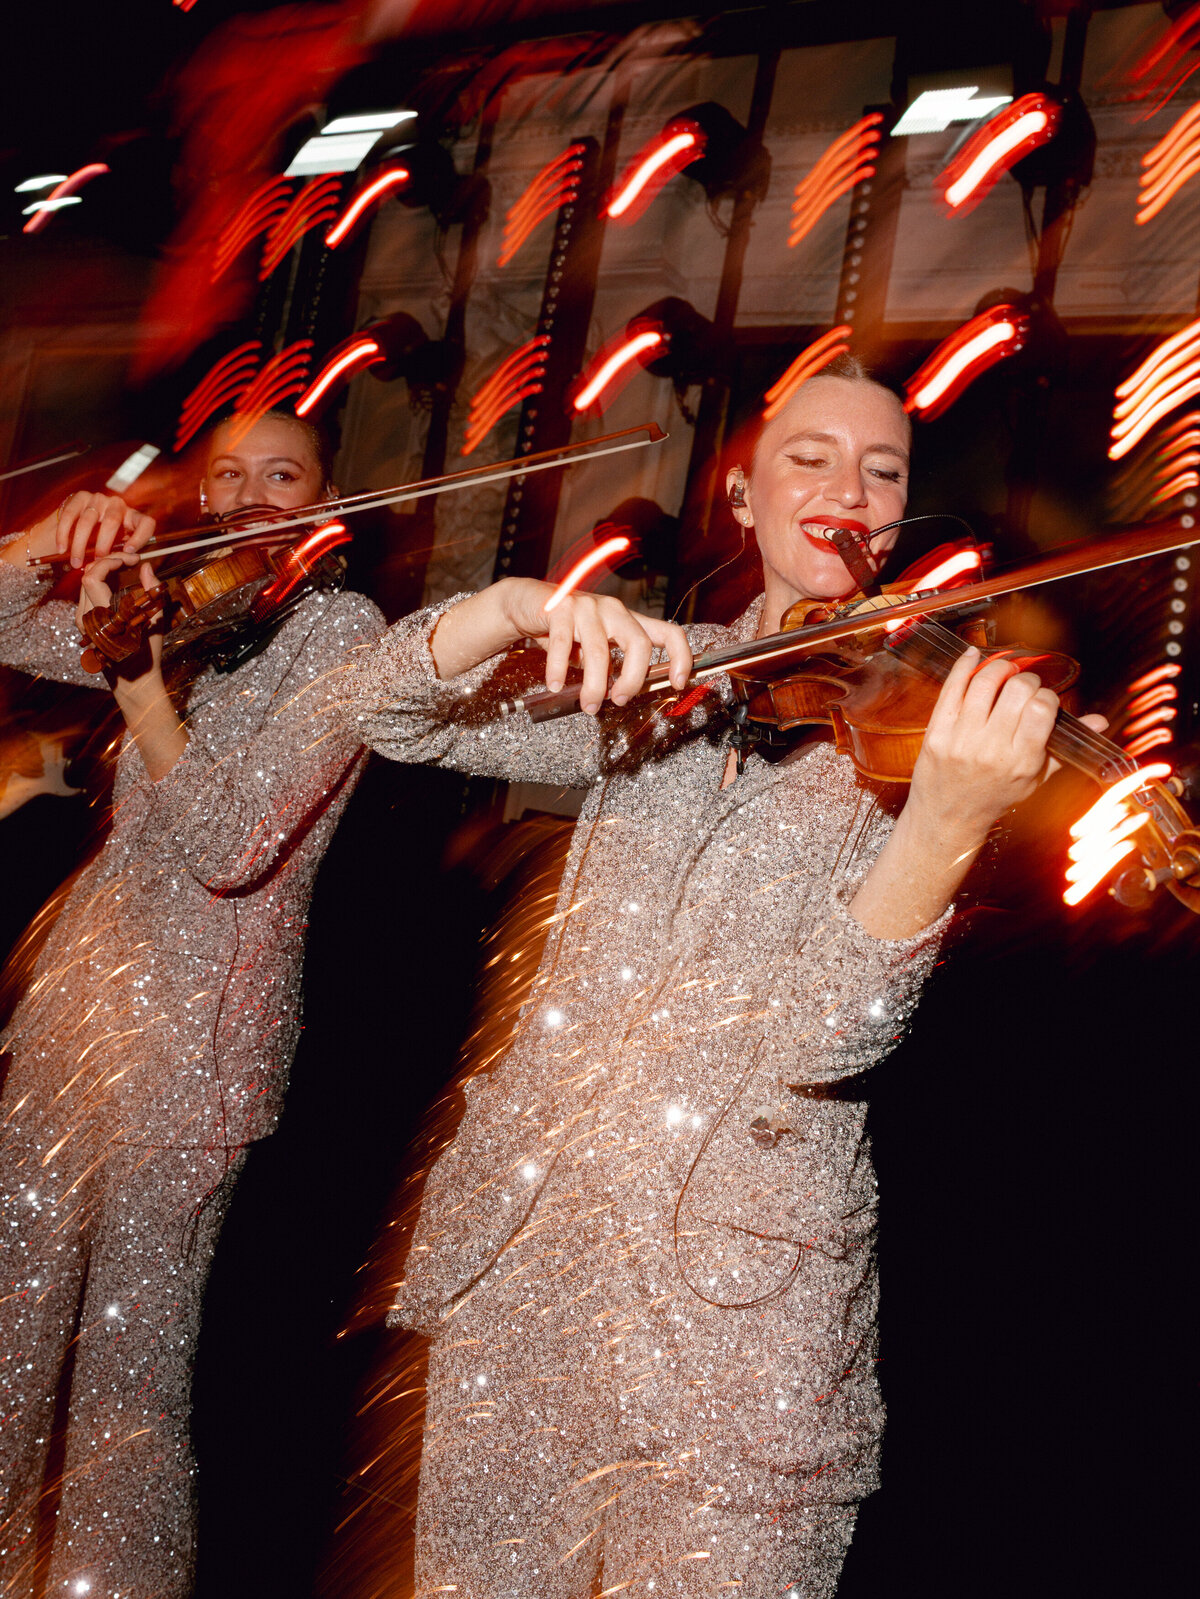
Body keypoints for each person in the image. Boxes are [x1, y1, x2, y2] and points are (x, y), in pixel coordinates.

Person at [341, 360, 1103, 1599]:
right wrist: (518, 608)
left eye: (884, 471)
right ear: (741, 497)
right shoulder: (657, 668)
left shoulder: (922, 734)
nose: (849, 489)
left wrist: (946, 821)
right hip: (524, 1274)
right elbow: (388, 716)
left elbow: (822, 1036)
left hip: (744, 1333)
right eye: (811, 458)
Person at [0, 410, 383, 1598]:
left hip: (198, 1042)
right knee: (8, 1332)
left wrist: (140, 691)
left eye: (284, 475)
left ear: (325, 504)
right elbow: (7, 621)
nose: (252, 494)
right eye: (229, 474)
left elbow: (231, 842)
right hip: (78, 1010)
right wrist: (42, 539)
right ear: (202, 497)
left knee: (127, 1372)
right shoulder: (183, 608)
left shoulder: (343, 636)